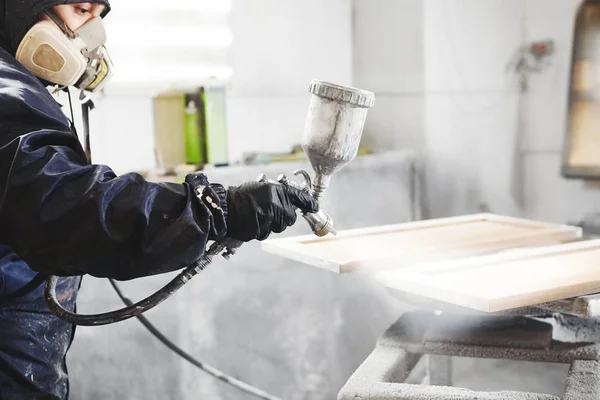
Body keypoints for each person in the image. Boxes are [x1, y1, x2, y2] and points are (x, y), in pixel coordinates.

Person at [0, 1, 319, 398]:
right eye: (82, 10)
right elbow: (64, 205)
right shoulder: (5, 92)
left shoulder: (21, 89)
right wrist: (214, 210)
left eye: (100, 14)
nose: (95, 32)